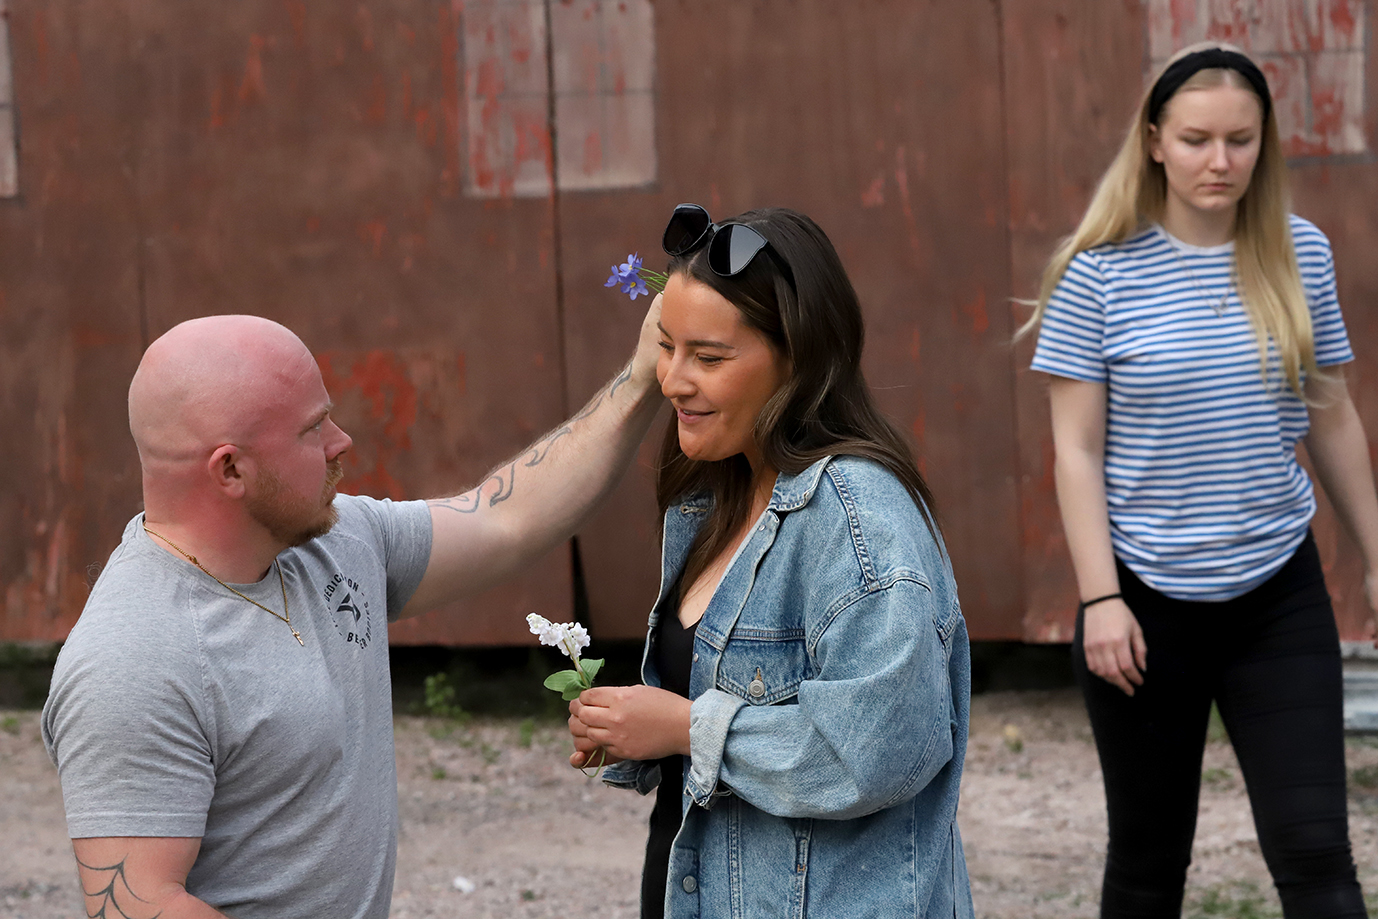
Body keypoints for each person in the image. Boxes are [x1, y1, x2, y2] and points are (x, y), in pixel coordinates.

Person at [41, 310, 665, 919]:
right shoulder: (133, 659)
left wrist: (641, 377)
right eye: (313, 429)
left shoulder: (333, 542)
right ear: (230, 468)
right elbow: (142, 903)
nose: (342, 442)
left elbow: (507, 519)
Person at [1024, 42, 1378, 919]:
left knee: (1318, 856)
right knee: (1148, 864)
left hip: (1278, 596)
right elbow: (1077, 451)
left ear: (1265, 144)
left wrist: (1377, 553)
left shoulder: (1300, 252)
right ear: (1153, 141)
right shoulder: (1096, 272)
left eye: (1240, 140)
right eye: (1195, 139)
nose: (1219, 161)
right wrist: (1101, 599)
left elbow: (1331, 412)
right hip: (1144, 605)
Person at [565, 205, 974, 919]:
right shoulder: (716, 494)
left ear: (798, 359)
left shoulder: (858, 518)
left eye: (709, 358)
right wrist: (633, 731)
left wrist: (685, 727)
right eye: (666, 347)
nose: (673, 380)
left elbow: (880, 749)